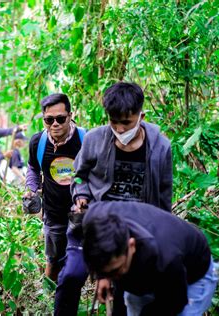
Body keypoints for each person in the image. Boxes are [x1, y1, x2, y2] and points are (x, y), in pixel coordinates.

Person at [56, 82, 173, 315]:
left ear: (141, 115)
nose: (119, 129)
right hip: (93, 225)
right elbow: (78, 177)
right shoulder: (94, 139)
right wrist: (80, 195)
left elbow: (163, 196)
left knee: (123, 294)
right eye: (113, 122)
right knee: (71, 276)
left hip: (134, 231)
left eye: (126, 123)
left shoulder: (161, 148)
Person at [82, 201, 219, 316]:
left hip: (192, 276)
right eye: (107, 272)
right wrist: (102, 276)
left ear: (131, 245)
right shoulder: (94, 220)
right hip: (147, 272)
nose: (114, 278)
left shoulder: (166, 259)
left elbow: (174, 302)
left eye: (116, 270)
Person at [25, 93, 85, 285]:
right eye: (49, 120)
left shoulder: (86, 140)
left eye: (60, 118)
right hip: (53, 213)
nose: (55, 124)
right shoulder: (38, 143)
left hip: (83, 214)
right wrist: (31, 189)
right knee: (53, 261)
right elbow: (33, 168)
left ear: (70, 115)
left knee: (85, 260)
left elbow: (98, 173)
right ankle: (48, 301)